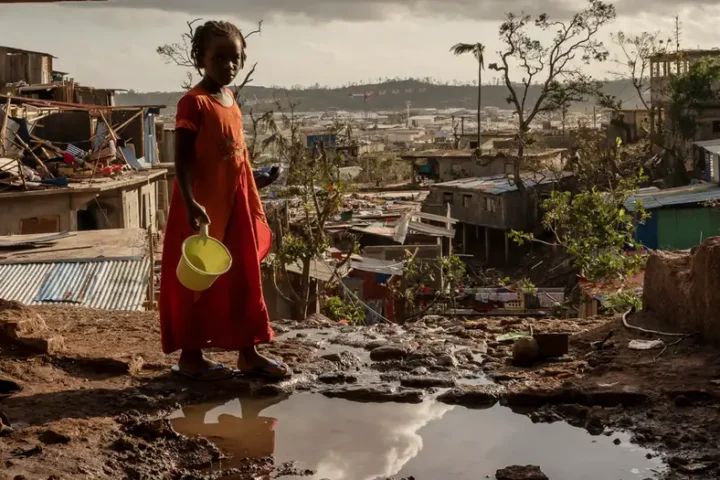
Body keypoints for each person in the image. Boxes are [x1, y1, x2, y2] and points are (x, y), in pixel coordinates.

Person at [159, 20, 290, 381]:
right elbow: (182, 160)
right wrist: (190, 203)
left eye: (234, 59)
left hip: (235, 206)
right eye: (219, 58)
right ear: (200, 58)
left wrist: (256, 181)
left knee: (243, 276)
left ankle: (248, 353)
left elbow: (234, 157)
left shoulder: (231, 100)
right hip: (202, 209)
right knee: (197, 284)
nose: (228, 66)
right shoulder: (193, 103)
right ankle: (191, 357)